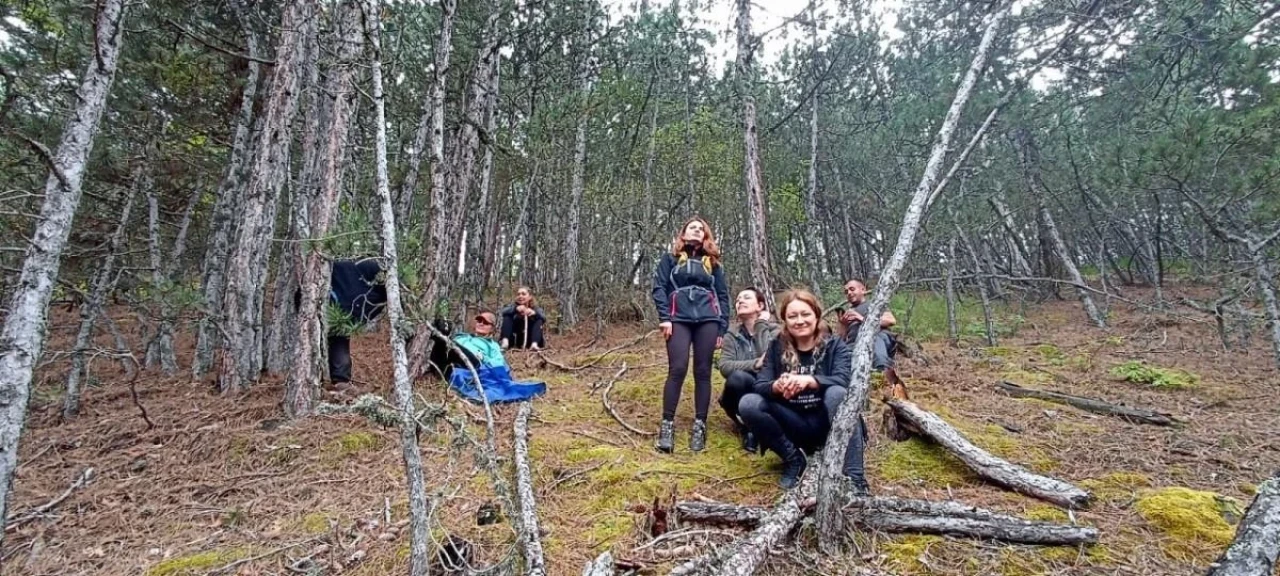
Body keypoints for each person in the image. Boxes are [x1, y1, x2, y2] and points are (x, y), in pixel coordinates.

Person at [739, 289, 869, 492]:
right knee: (749, 403)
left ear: (816, 316)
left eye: (805, 314)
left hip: (827, 423)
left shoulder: (834, 346)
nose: (799, 321)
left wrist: (810, 381)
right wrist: (777, 386)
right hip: (794, 423)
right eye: (792, 316)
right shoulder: (777, 347)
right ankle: (794, 460)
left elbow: (845, 381)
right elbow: (760, 385)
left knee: (837, 393)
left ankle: (855, 478)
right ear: (785, 321)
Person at [651, 217, 731, 453]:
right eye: (692, 228)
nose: (697, 231)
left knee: (703, 371)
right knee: (677, 368)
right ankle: (667, 426)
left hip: (708, 320)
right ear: (683, 234)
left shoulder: (713, 264)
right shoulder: (670, 259)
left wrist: (722, 328)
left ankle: (700, 425)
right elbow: (659, 288)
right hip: (677, 319)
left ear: (706, 236)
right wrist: (664, 317)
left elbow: (723, 297)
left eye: (701, 229)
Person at [717, 287, 778, 453]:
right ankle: (748, 429)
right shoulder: (732, 334)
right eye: (737, 300)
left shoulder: (775, 330)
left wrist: (760, 325)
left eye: (746, 297)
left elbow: (771, 360)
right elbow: (724, 366)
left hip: (769, 389)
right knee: (737, 378)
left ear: (760, 306)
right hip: (740, 391)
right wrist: (754, 364)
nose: (740, 301)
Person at [325, 258, 388, 385]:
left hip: (344, 309)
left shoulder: (367, 270)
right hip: (338, 309)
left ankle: (340, 380)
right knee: (337, 337)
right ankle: (340, 380)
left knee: (338, 337)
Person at [834, 278, 897, 371]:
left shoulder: (874, 304)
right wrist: (843, 324)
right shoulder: (847, 312)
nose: (849, 293)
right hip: (854, 345)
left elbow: (891, 320)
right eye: (846, 292)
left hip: (877, 338)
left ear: (863, 290)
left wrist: (861, 319)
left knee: (874, 339)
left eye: (852, 289)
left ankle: (883, 371)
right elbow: (840, 339)